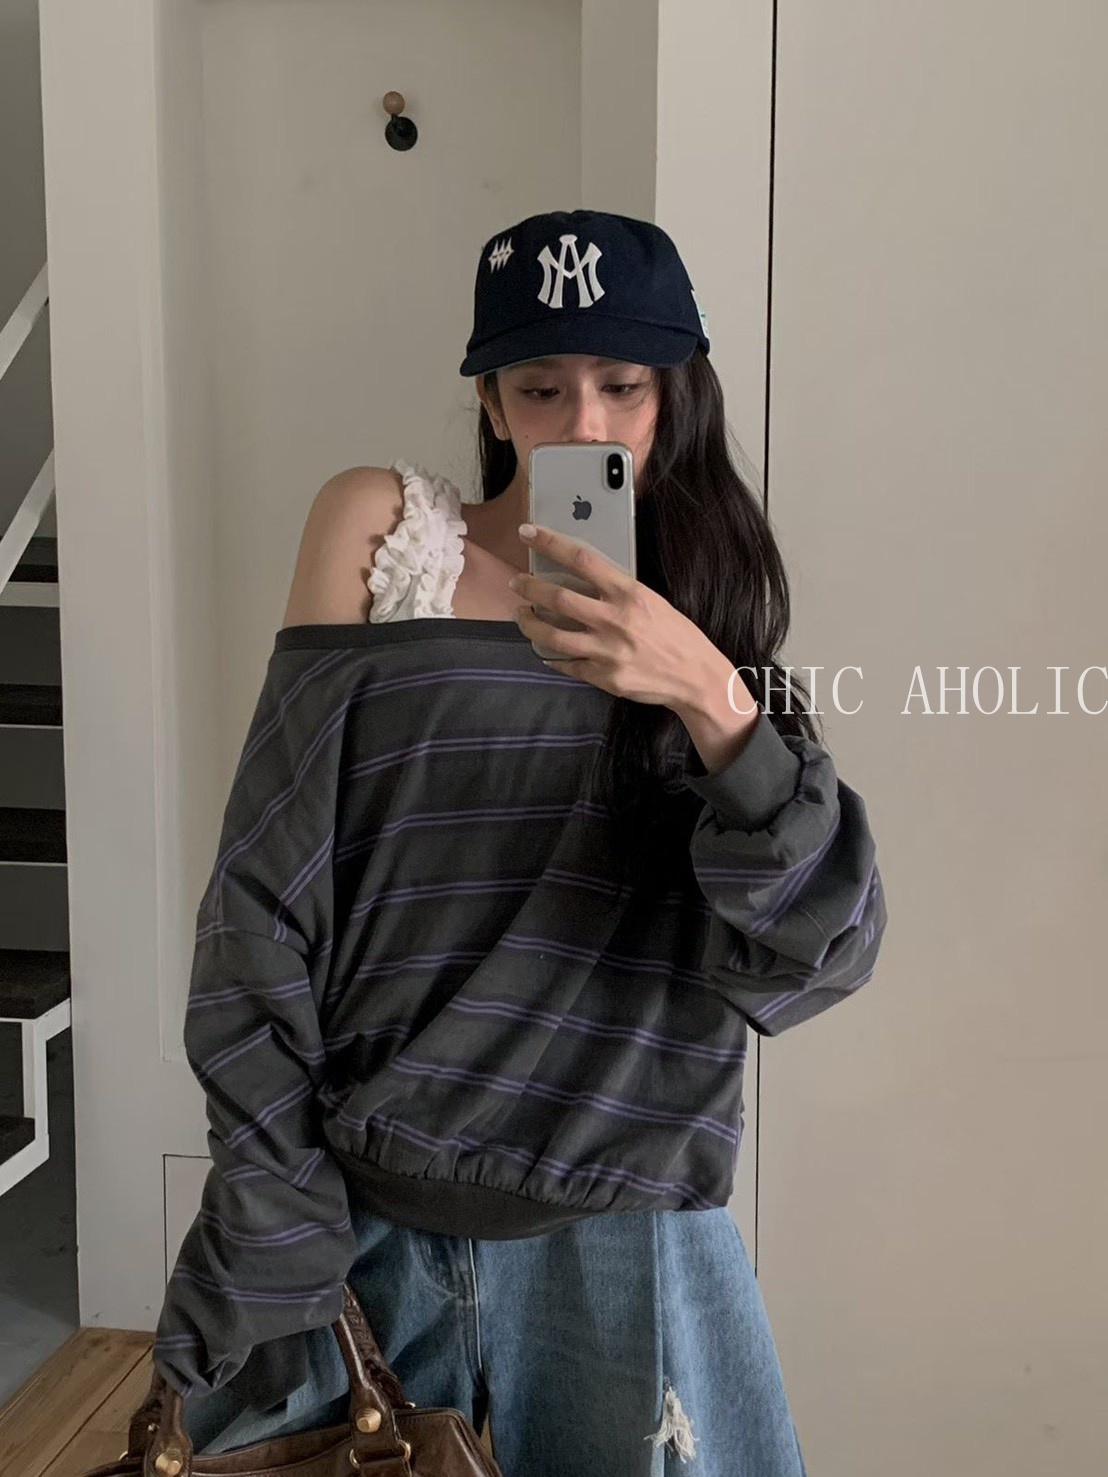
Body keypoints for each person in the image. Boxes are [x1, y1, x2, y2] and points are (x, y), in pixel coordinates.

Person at [153, 209, 888, 1475]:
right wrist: (272, 1204)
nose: (582, 425)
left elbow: (823, 951)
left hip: (630, 1216)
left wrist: (705, 695)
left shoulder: (709, 626)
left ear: (675, 396)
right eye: (540, 387)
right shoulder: (387, 535)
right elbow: (265, 890)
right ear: (491, 402)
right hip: (369, 1197)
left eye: (622, 385)